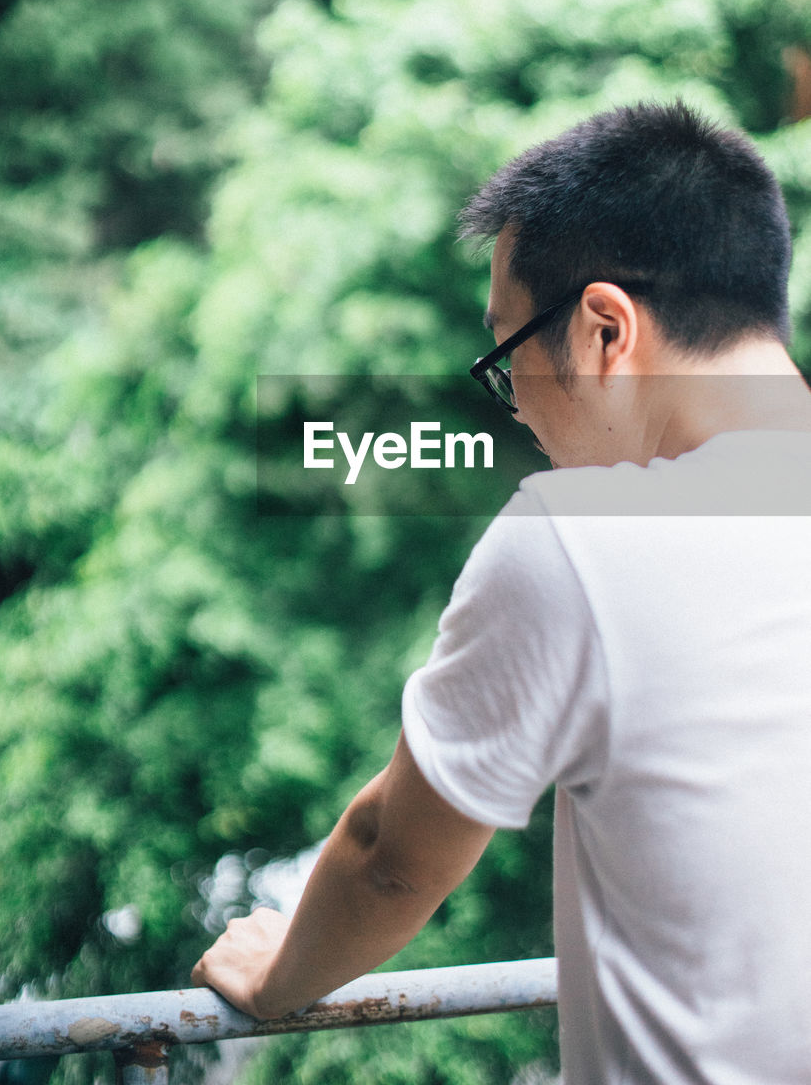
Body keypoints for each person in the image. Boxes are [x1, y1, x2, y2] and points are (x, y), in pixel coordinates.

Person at [192, 101, 811, 1083]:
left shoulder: (582, 536)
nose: (513, 397)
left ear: (606, 327)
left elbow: (392, 855)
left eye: (505, 352)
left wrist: (276, 980)